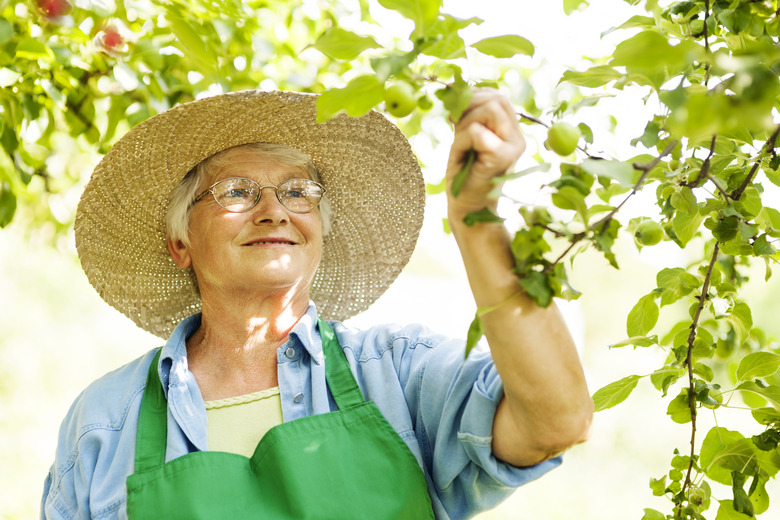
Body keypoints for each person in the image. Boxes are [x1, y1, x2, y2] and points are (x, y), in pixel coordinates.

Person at [41, 88, 592, 519]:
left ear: (319, 233)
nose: (274, 210)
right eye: (236, 191)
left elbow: (556, 421)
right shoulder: (106, 424)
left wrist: (477, 220)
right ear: (180, 244)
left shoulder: (396, 374)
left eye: (298, 191)